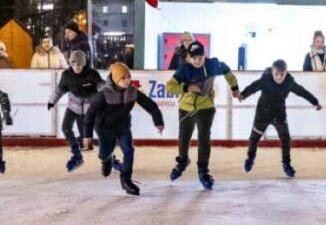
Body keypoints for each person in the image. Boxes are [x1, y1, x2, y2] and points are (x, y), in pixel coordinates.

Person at [166, 41, 239, 190]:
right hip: (186, 109)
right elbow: (169, 87)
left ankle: (203, 170)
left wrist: (235, 88)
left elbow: (227, 71)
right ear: (189, 57)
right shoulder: (184, 70)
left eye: (200, 57)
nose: (197, 61)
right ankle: (182, 161)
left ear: (204, 55)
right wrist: (186, 87)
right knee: (183, 139)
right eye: (194, 58)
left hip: (206, 108)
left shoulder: (213, 65)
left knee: (204, 138)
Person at [83, 62, 164, 196]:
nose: (127, 81)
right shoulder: (103, 95)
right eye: (123, 78)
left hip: (122, 126)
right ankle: (106, 159)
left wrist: (158, 121)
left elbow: (150, 105)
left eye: (128, 77)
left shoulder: (132, 92)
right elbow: (90, 115)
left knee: (129, 151)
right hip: (104, 127)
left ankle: (126, 179)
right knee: (105, 151)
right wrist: (87, 136)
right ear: (115, 79)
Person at [239, 59, 321, 177]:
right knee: (254, 138)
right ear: (272, 72)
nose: (279, 77)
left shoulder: (289, 82)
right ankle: (250, 158)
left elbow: (302, 92)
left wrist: (314, 102)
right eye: (276, 74)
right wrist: (243, 94)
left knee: (286, 139)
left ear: (286, 73)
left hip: (279, 114)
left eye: (282, 75)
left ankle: (286, 164)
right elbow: (254, 87)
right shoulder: (265, 79)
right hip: (263, 113)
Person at [47, 50, 104, 172]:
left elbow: (101, 86)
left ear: (83, 64)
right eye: (73, 65)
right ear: (70, 64)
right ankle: (76, 154)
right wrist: (52, 101)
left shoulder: (92, 74)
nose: (76, 67)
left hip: (90, 108)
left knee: (100, 131)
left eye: (79, 65)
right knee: (66, 128)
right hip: (74, 106)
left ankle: (110, 157)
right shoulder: (67, 75)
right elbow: (60, 90)